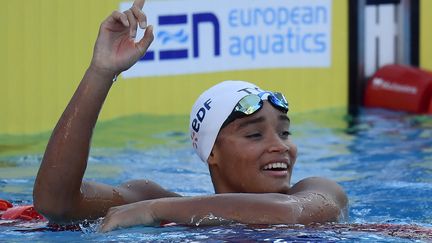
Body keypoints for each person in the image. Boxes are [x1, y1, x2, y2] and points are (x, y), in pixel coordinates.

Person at [33, 0, 347, 232]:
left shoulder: (319, 189)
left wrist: (156, 210)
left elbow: (291, 213)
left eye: (285, 132)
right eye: (254, 134)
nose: (281, 146)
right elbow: (55, 203)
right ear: (212, 152)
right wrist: (100, 72)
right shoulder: (154, 199)